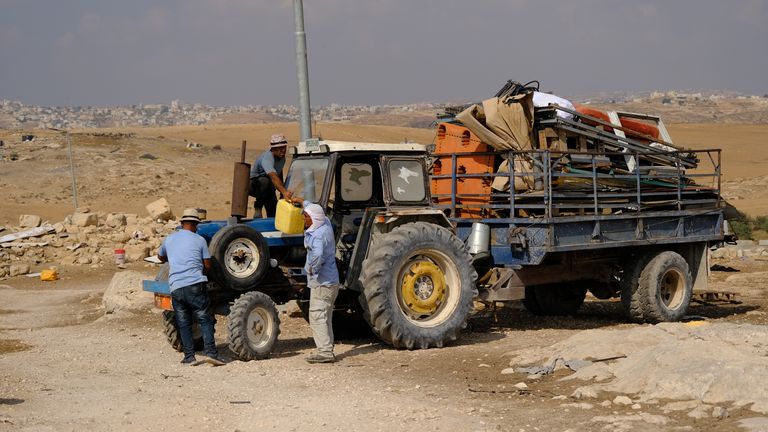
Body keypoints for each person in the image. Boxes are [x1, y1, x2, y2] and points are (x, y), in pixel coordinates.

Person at [157, 208, 224, 366]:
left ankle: (189, 357)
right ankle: (211, 354)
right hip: (194, 284)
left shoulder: (169, 238)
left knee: (183, 322)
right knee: (205, 318)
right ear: (195, 225)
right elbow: (207, 264)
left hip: (176, 287)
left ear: (181, 224)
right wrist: (202, 272)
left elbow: (160, 256)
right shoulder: (199, 240)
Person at [302, 201, 341, 364]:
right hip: (332, 281)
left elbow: (317, 255)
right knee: (326, 316)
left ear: (313, 218)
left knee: (317, 316)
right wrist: (302, 202)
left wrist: (312, 270)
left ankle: (325, 352)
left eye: (306, 217)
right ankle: (327, 348)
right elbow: (315, 208)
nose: (304, 220)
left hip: (322, 283)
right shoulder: (325, 223)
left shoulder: (317, 236)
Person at [250, 133, 292, 218]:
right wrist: (284, 192)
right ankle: (258, 207)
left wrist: (281, 192)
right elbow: (272, 175)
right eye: (280, 148)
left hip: (269, 187)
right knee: (265, 181)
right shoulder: (267, 157)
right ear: (273, 149)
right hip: (254, 185)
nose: (283, 150)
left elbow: (278, 173)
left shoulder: (282, 158)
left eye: (284, 147)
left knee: (274, 212)